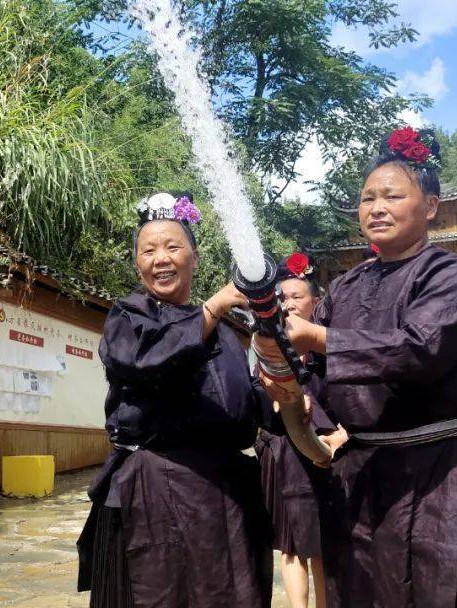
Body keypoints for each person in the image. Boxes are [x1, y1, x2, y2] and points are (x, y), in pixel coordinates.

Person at [256, 127, 457, 607]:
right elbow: (317, 377)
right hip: (364, 475)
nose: (376, 207)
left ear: (430, 206)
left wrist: (318, 338)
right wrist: (294, 391)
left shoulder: (452, 276)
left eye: (392, 195)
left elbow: (419, 350)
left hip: (447, 475)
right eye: (367, 198)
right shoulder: (345, 287)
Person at [77, 192, 275, 608]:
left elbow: (244, 402)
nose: (160, 258)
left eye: (172, 246)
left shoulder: (223, 333)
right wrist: (215, 306)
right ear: (137, 264)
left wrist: (284, 399)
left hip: (226, 493)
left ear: (194, 257)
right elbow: (145, 362)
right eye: (148, 250)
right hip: (158, 490)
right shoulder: (129, 318)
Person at [254, 252, 337, 608]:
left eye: (297, 296)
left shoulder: (329, 346)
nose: (288, 303)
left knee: (320, 546)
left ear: (315, 302)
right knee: (288, 547)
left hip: (325, 457)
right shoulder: (265, 345)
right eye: (282, 297)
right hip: (280, 455)